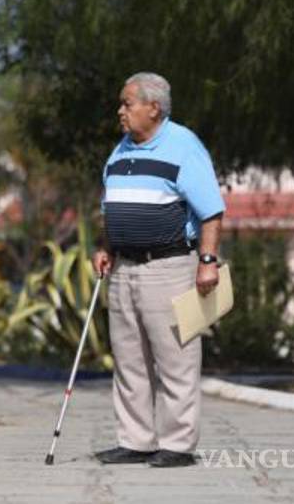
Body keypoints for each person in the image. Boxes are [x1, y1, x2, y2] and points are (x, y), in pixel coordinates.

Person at [91, 72, 225, 469]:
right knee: (129, 359)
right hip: (124, 268)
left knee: (175, 359)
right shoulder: (121, 150)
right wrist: (106, 247)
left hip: (168, 266)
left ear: (154, 107)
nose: (120, 111)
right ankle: (136, 440)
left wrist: (207, 261)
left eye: (126, 103)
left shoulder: (184, 146)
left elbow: (211, 210)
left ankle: (179, 445)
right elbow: (110, 204)